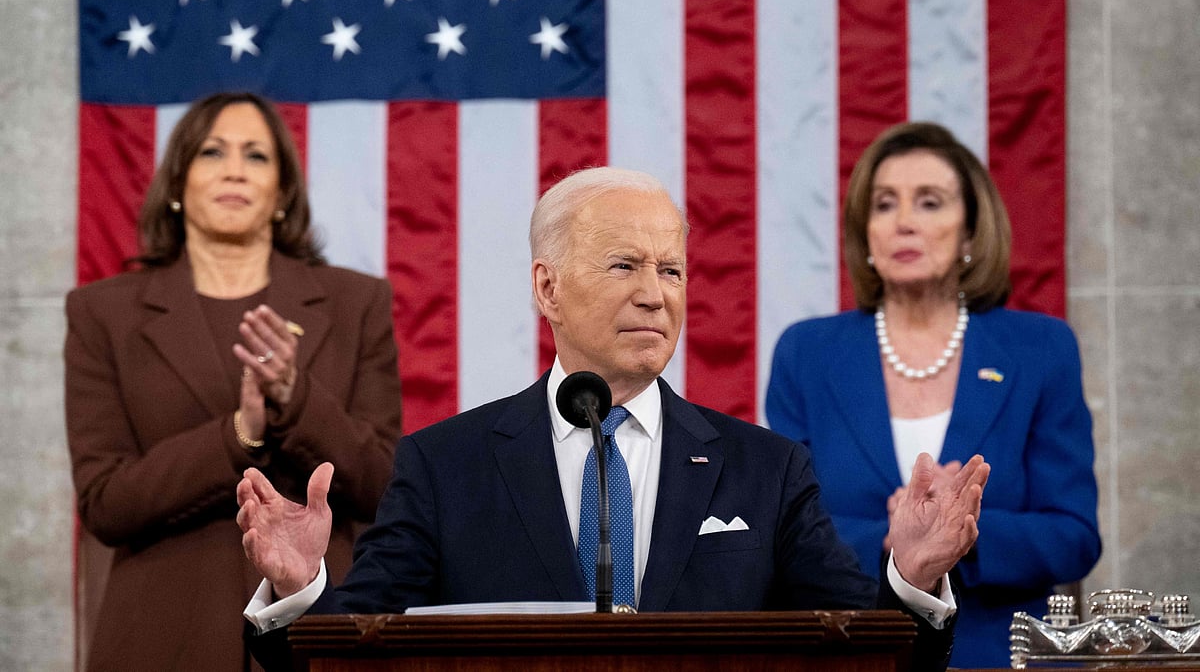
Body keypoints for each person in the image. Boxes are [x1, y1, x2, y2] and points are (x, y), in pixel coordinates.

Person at [237, 166, 989, 670]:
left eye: (672, 270)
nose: (656, 295)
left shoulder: (767, 468)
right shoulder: (444, 465)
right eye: (625, 266)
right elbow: (347, 654)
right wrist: (302, 587)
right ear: (548, 286)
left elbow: (867, 654)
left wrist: (914, 578)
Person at [64, 91, 403, 671]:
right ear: (177, 182)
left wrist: (296, 403)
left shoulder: (356, 302)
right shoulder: (104, 313)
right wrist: (238, 434)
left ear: (282, 192)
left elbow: (383, 486)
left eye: (256, 156)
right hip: (163, 637)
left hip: (321, 632)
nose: (234, 170)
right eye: (212, 152)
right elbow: (105, 504)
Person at [766, 122, 1101, 668]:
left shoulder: (1041, 349)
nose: (903, 223)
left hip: (1003, 656)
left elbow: (1074, 536)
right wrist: (902, 539)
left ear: (970, 231)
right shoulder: (807, 353)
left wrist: (955, 531)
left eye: (928, 203)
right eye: (884, 204)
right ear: (865, 232)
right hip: (851, 652)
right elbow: (784, 533)